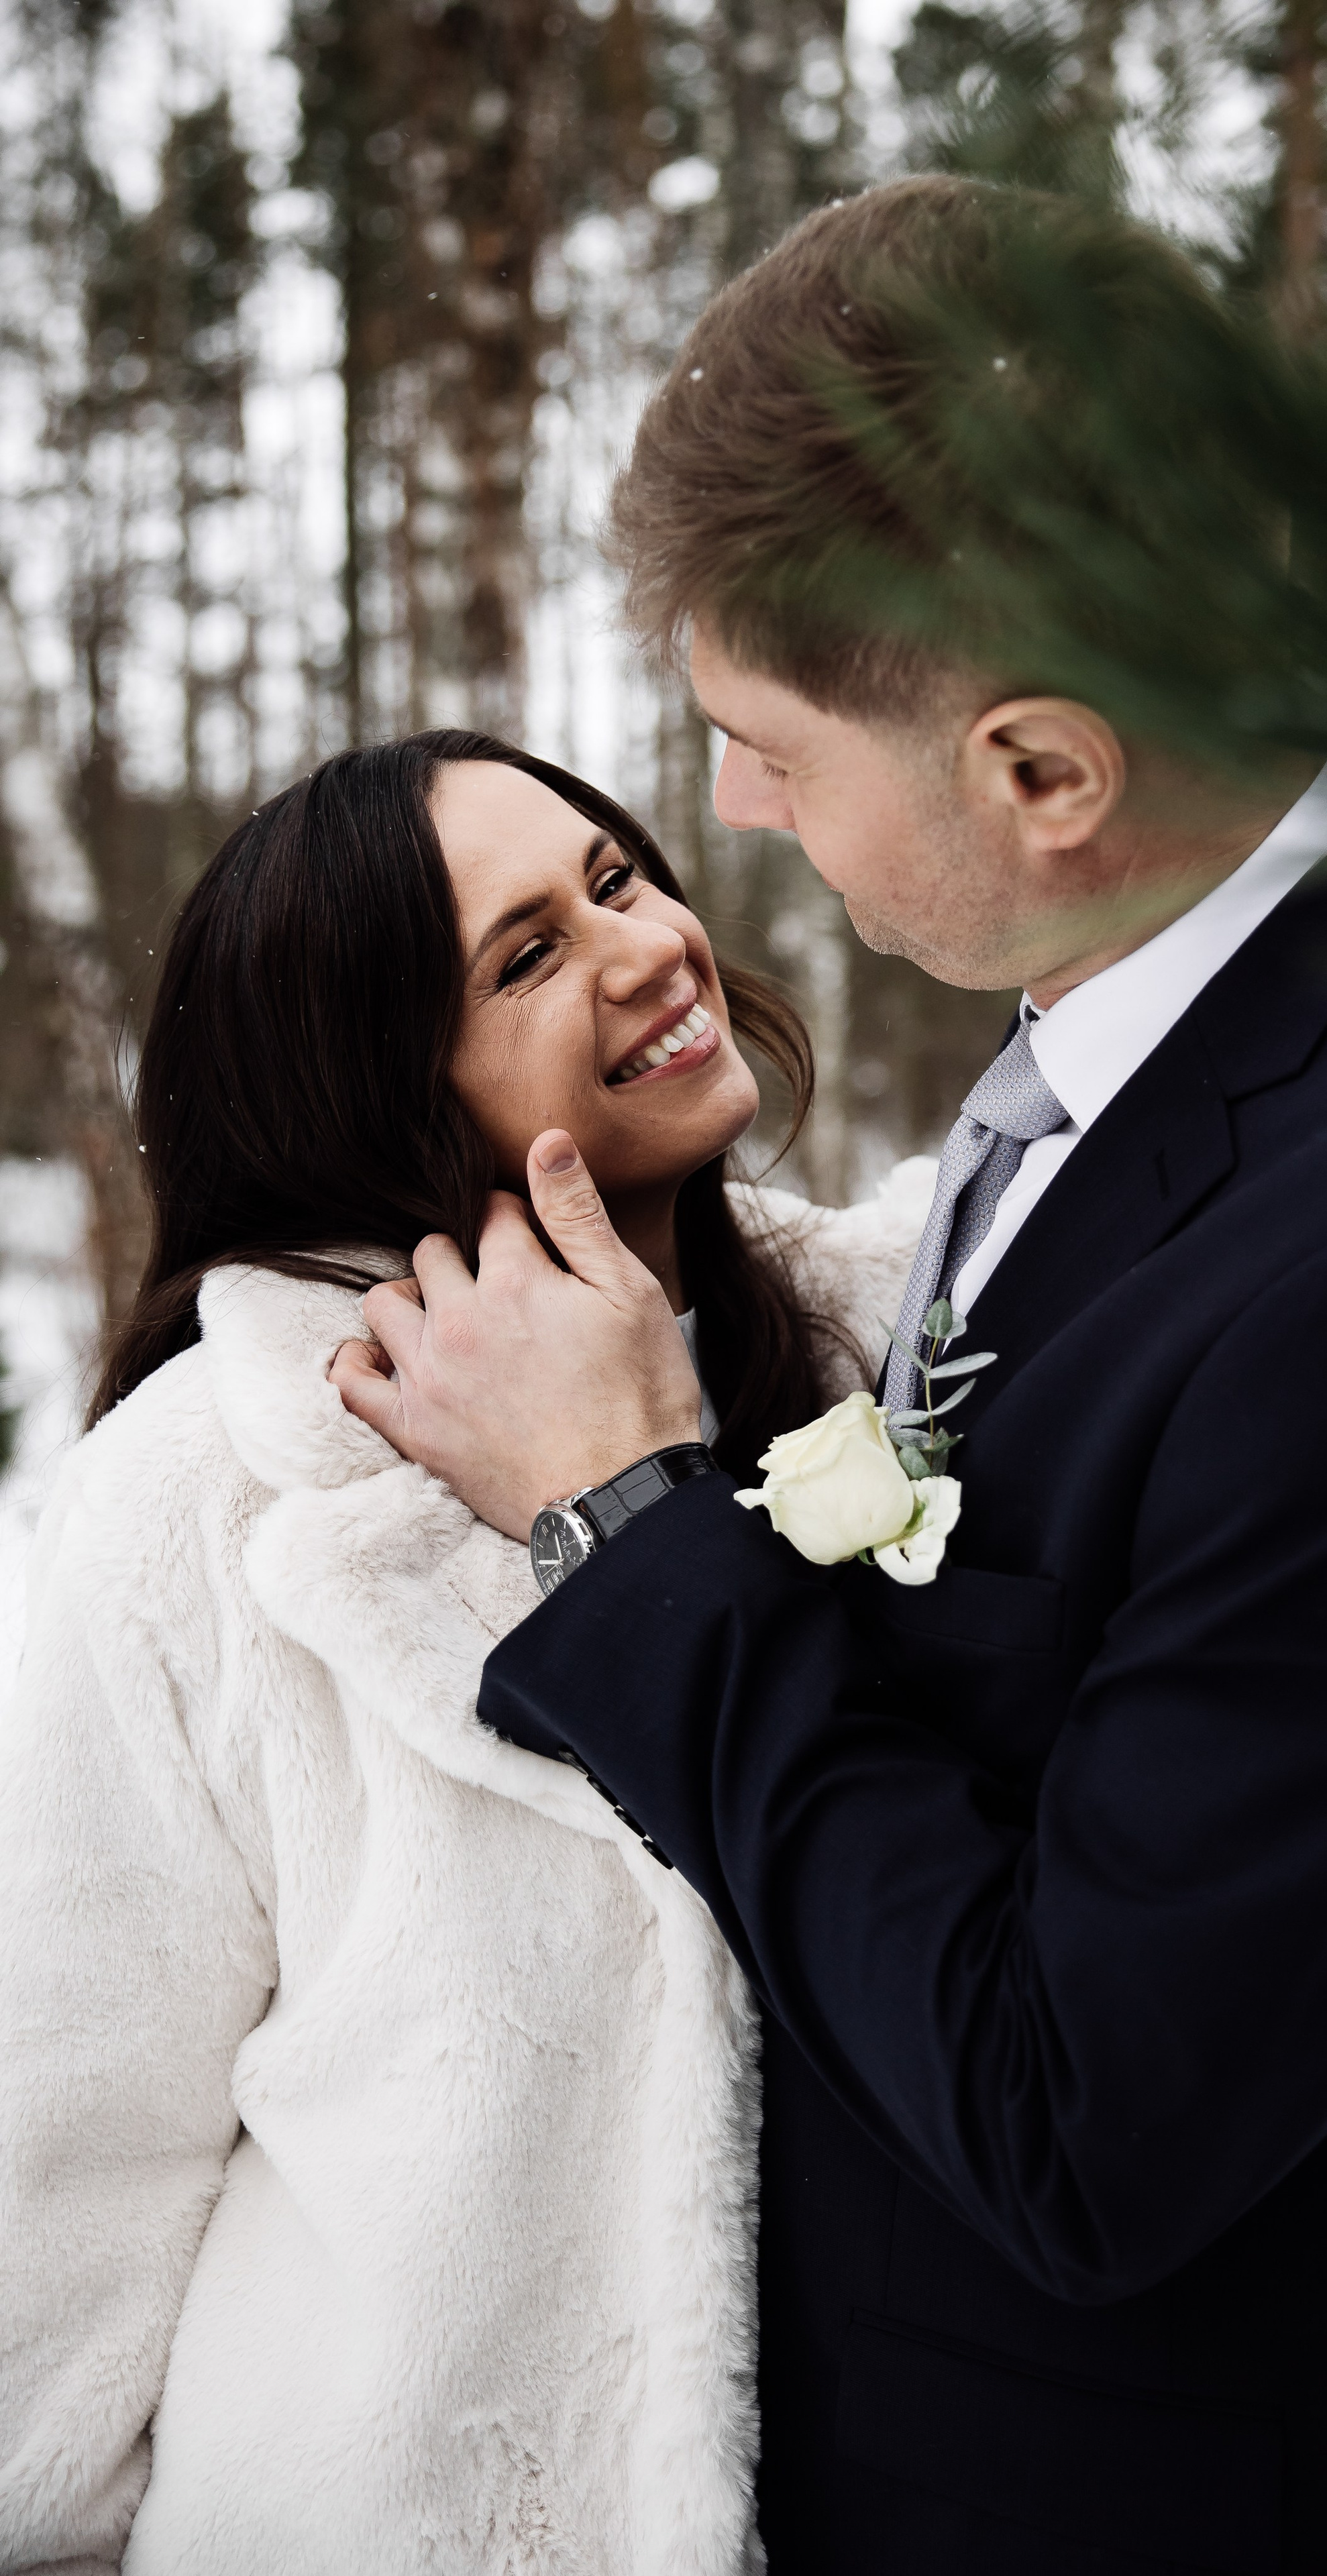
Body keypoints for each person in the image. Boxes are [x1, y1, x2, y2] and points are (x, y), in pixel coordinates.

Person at [336, 180, 1327, 2575]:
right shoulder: (1187, 1040)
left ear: (1043, 773)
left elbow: (1086, 2118)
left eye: (764, 745)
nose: (731, 819)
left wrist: (634, 1520)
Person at [0, 729, 928, 2574]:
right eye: (528, 957)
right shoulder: (204, 1506)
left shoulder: (881, 1352)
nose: (649, 945)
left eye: (616, 877)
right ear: (370, 1088)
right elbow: (49, 2212)